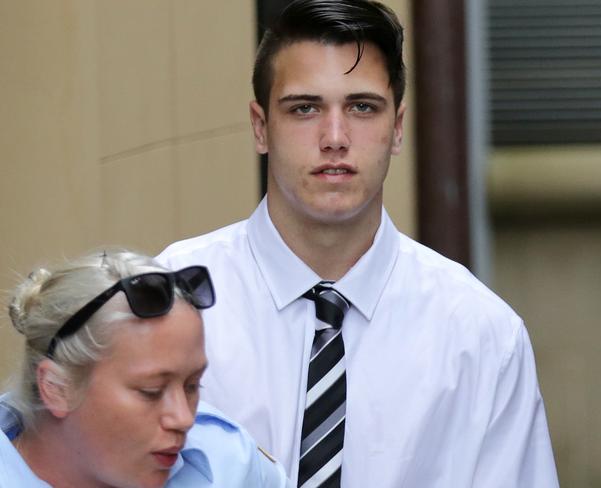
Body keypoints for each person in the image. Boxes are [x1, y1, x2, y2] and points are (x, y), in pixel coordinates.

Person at [158, 0, 559, 486]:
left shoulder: (481, 336)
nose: (334, 137)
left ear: (397, 128)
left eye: (362, 107)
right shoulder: (173, 300)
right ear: (261, 127)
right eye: (305, 108)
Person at [0, 250, 289, 487]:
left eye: (192, 385)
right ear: (56, 388)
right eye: (151, 391)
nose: (184, 419)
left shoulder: (226, 458)